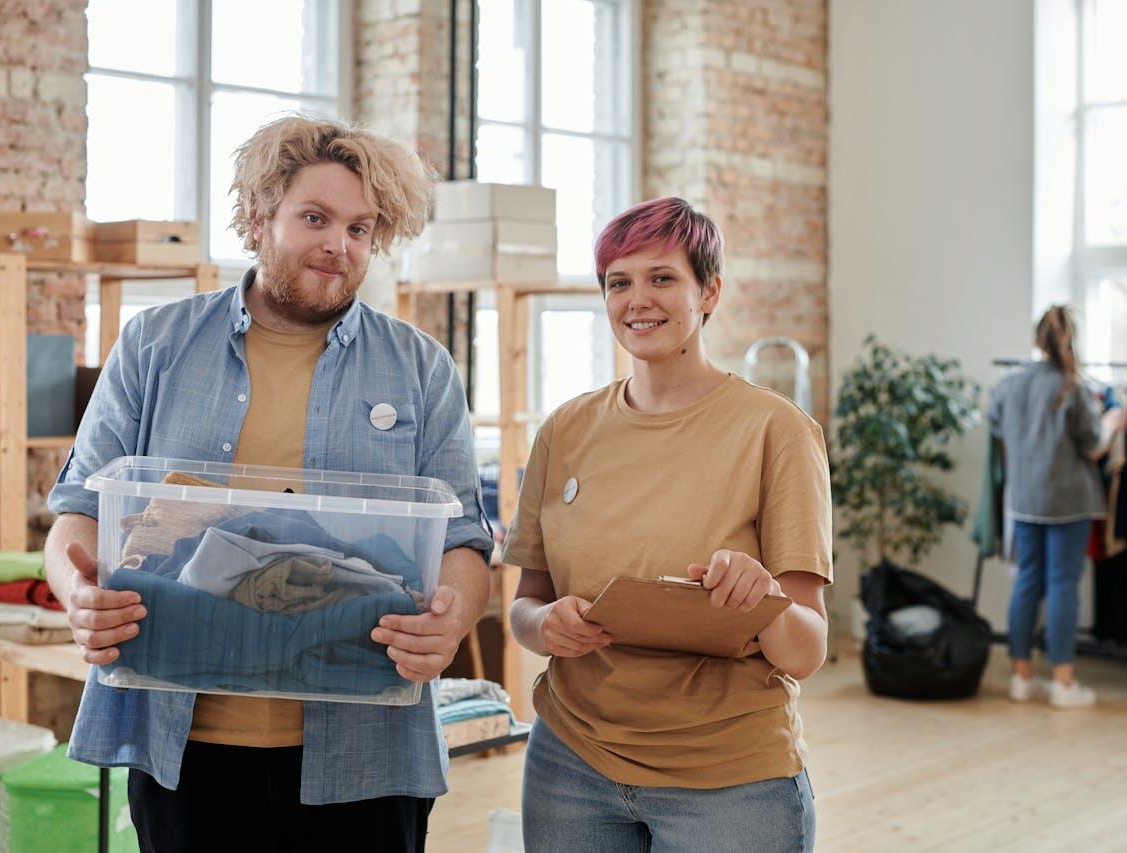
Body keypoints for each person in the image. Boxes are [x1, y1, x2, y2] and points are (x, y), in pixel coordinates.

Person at [44, 115, 493, 852]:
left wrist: (451, 618)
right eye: (314, 217)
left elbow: (467, 543)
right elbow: (78, 515)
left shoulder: (421, 368)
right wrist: (77, 591)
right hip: (185, 744)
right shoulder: (155, 346)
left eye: (359, 227)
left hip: (366, 751)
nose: (337, 244)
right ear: (258, 217)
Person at [504, 197, 832, 852]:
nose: (637, 300)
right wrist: (547, 624)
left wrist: (762, 599)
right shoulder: (565, 429)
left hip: (730, 783)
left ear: (708, 291)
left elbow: (807, 648)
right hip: (570, 764)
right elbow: (523, 606)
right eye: (617, 282)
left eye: (662, 277)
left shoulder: (776, 431)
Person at [989, 305, 1124, 709]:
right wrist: (1114, 421)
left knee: (1028, 580)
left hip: (1025, 499)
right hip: (1068, 501)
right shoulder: (1074, 389)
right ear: (1071, 340)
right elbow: (1094, 446)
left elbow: (997, 428)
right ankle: (1063, 682)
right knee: (1063, 584)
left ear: (1036, 339)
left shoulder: (1009, 385)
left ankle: (1021, 676)